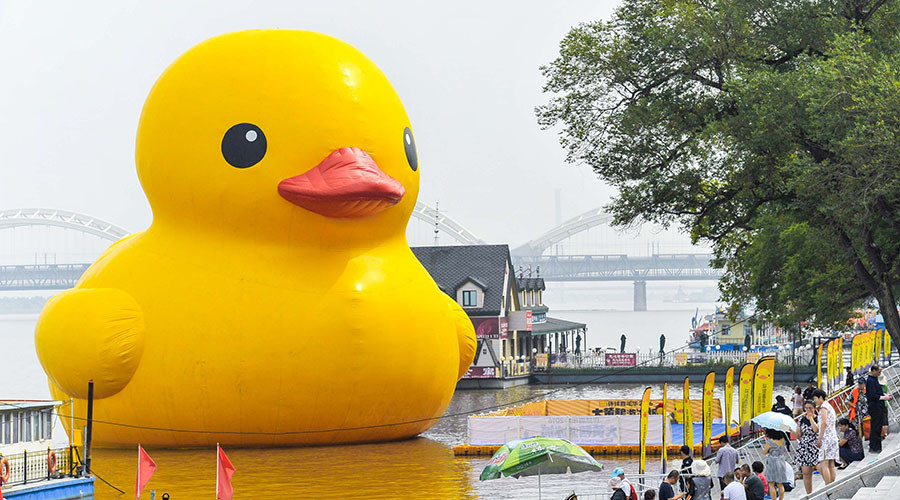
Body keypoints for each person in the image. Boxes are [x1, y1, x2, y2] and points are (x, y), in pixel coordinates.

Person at [813, 388, 839, 485]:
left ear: (820, 397)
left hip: (826, 438)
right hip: (833, 437)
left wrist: (819, 438)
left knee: (824, 463)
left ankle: (827, 485)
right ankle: (832, 484)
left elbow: (824, 423)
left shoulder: (823, 407)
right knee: (831, 463)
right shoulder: (829, 406)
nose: (815, 401)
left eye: (815, 398)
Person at [866, 364, 892, 453]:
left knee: (878, 426)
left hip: (879, 405)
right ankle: (875, 447)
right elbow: (872, 395)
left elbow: (878, 392)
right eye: (878, 371)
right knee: (875, 427)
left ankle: (877, 446)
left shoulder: (875, 379)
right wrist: (883, 398)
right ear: (873, 371)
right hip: (875, 406)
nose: (879, 373)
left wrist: (884, 395)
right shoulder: (870, 381)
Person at [796, 400, 819, 494]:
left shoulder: (818, 418)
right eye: (806, 408)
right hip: (804, 447)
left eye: (810, 408)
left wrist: (811, 419)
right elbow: (798, 435)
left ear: (814, 408)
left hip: (815, 446)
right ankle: (809, 493)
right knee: (806, 473)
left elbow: (816, 429)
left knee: (821, 467)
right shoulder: (802, 420)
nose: (808, 410)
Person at [762, 428, 791, 500]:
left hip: (772, 462)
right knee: (780, 483)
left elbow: (764, 452)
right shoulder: (782, 440)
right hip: (781, 461)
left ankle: (774, 499)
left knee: (771, 483)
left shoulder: (770, 442)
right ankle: (781, 499)